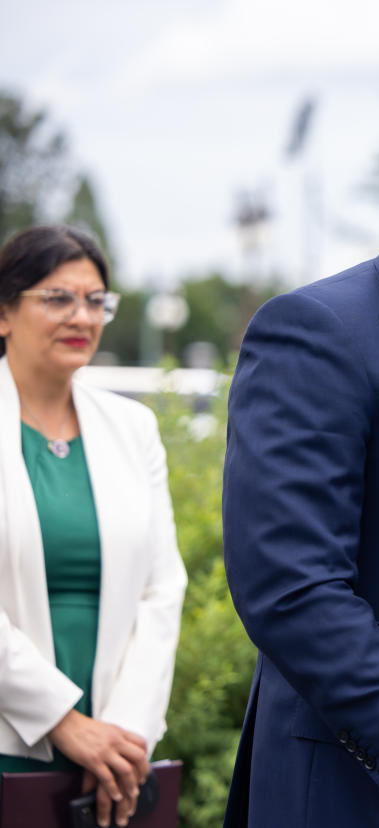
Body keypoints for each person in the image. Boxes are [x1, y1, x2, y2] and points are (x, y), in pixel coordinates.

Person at [0, 225, 187, 828]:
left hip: (111, 759)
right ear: (4, 312)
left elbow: (163, 590)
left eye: (95, 300)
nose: (81, 315)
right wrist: (64, 722)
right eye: (57, 298)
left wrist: (122, 734)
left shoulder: (132, 429)